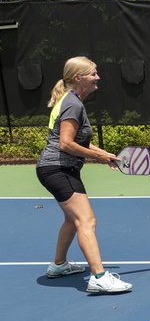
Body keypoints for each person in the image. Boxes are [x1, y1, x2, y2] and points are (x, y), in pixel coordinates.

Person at [36, 57, 133, 294]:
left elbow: (77, 142)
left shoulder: (70, 100)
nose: (98, 77)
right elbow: (66, 144)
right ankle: (99, 277)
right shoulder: (73, 104)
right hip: (57, 169)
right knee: (86, 220)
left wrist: (105, 154)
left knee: (72, 219)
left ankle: (59, 265)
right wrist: (97, 156)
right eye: (93, 73)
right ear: (78, 78)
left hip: (57, 168)